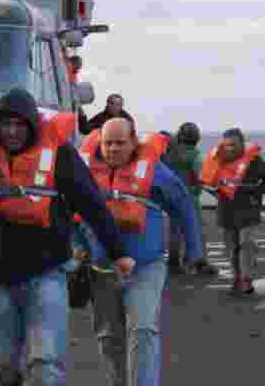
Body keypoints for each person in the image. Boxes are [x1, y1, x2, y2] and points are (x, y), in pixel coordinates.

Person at [0, 87, 133, 386]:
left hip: (47, 273)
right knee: (0, 369)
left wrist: (118, 252)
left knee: (46, 365)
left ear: (32, 125)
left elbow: (91, 203)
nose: (12, 131)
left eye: (19, 124)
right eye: (6, 124)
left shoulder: (59, 154)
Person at [74, 117, 205, 386]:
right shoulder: (82, 169)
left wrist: (194, 250)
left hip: (145, 266)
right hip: (101, 269)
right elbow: (64, 211)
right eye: (108, 143)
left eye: (120, 143)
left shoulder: (154, 170)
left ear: (134, 142)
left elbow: (183, 204)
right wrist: (75, 248)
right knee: (109, 338)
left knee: (143, 329)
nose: (113, 149)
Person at [198, 127, 265, 295]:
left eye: (233, 145)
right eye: (226, 145)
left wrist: (257, 192)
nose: (229, 148)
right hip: (226, 209)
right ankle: (237, 277)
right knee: (231, 246)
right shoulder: (216, 160)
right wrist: (217, 193)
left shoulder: (255, 161)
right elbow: (206, 182)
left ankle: (246, 279)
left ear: (241, 144)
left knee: (246, 244)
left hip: (249, 207)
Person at [163, 123, 218, 276]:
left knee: (174, 231)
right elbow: (202, 177)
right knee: (196, 230)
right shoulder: (193, 154)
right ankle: (200, 263)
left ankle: (173, 263)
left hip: (170, 197)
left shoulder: (169, 152)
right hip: (189, 197)